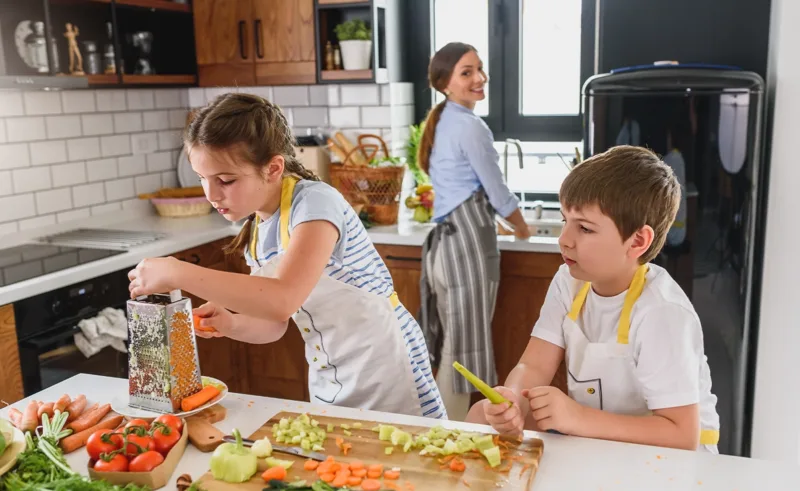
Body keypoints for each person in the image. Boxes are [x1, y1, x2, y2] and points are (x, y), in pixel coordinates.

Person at [127, 93, 446, 419]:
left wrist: (179, 273)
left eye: (225, 180)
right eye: (202, 179)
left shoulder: (315, 204)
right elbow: (273, 323)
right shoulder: (259, 228)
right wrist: (232, 322)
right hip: (331, 373)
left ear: (273, 168)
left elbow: (283, 298)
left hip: (385, 362)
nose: (210, 194)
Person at [465, 145, 720, 452]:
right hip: (603, 443)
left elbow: (682, 436)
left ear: (637, 241)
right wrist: (514, 398)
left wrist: (578, 417)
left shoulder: (662, 312)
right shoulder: (568, 283)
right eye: (565, 221)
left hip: (675, 462)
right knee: (480, 416)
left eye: (584, 227)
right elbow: (533, 366)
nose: (564, 239)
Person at [417, 42, 531, 421]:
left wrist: (497, 221)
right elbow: (497, 192)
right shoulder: (469, 126)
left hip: (445, 246)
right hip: (463, 248)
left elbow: (462, 192)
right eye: (467, 72)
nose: (479, 78)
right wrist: (522, 228)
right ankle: (455, 432)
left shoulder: (447, 120)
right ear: (446, 83)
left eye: (479, 69)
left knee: (456, 346)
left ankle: (457, 430)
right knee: (463, 352)